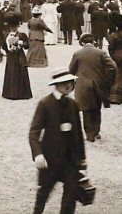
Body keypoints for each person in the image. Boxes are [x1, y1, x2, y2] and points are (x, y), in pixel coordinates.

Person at [28, 68, 87, 214]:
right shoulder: (45, 104)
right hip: (51, 159)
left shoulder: (73, 104)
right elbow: (34, 132)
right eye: (64, 83)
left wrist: (82, 159)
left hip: (70, 161)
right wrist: (38, 154)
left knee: (70, 196)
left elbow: (78, 134)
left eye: (70, 82)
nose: (68, 86)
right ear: (56, 84)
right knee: (43, 193)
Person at [68, 34, 117, 142]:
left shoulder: (77, 54)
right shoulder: (100, 53)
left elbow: (71, 70)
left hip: (83, 85)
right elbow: (112, 67)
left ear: (82, 42)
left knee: (86, 110)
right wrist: (106, 80)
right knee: (96, 108)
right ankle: (96, 131)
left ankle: (89, 134)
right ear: (93, 41)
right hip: (98, 84)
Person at [2, 13, 32, 100]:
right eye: (12, 27)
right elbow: (4, 46)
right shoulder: (6, 35)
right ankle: (10, 93)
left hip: (19, 56)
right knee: (11, 73)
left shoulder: (22, 35)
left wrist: (21, 43)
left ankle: (21, 93)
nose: (13, 28)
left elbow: (27, 46)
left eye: (14, 26)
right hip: (11, 56)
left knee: (20, 73)